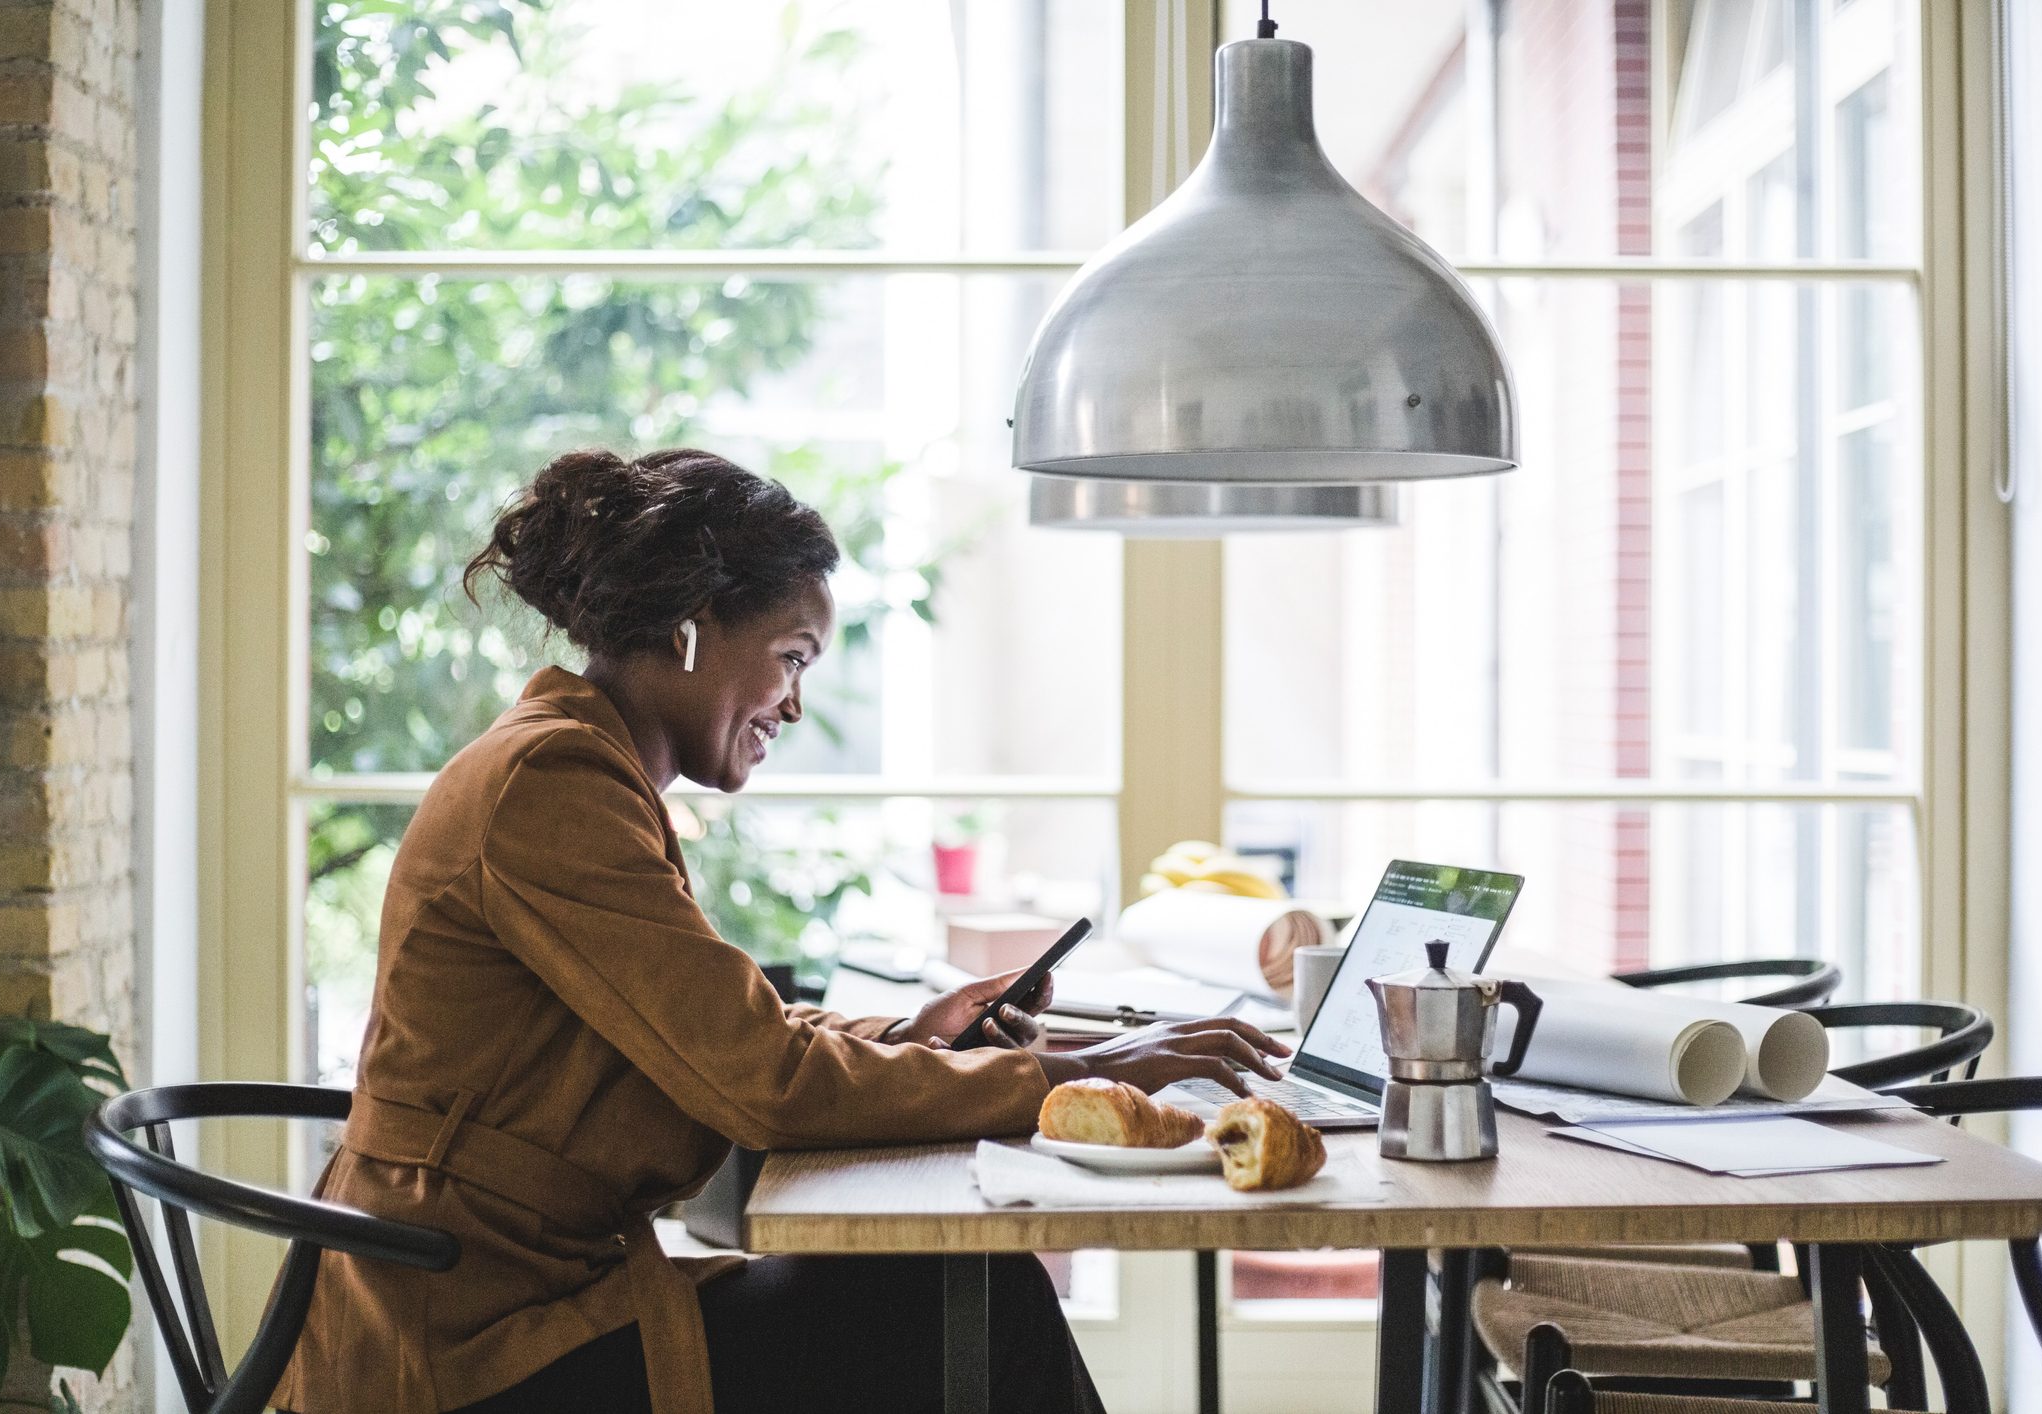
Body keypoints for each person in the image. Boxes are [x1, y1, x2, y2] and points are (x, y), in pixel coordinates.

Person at [273, 447, 1291, 1414]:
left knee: (958, 1288)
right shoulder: (555, 785)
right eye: (791, 656)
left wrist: (914, 1033)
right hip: (462, 1355)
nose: (794, 705)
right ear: (690, 627)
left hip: (507, 1309)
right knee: (970, 1292)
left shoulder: (578, 765)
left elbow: (720, 1029)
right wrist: (1080, 1075)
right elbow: (759, 1080)